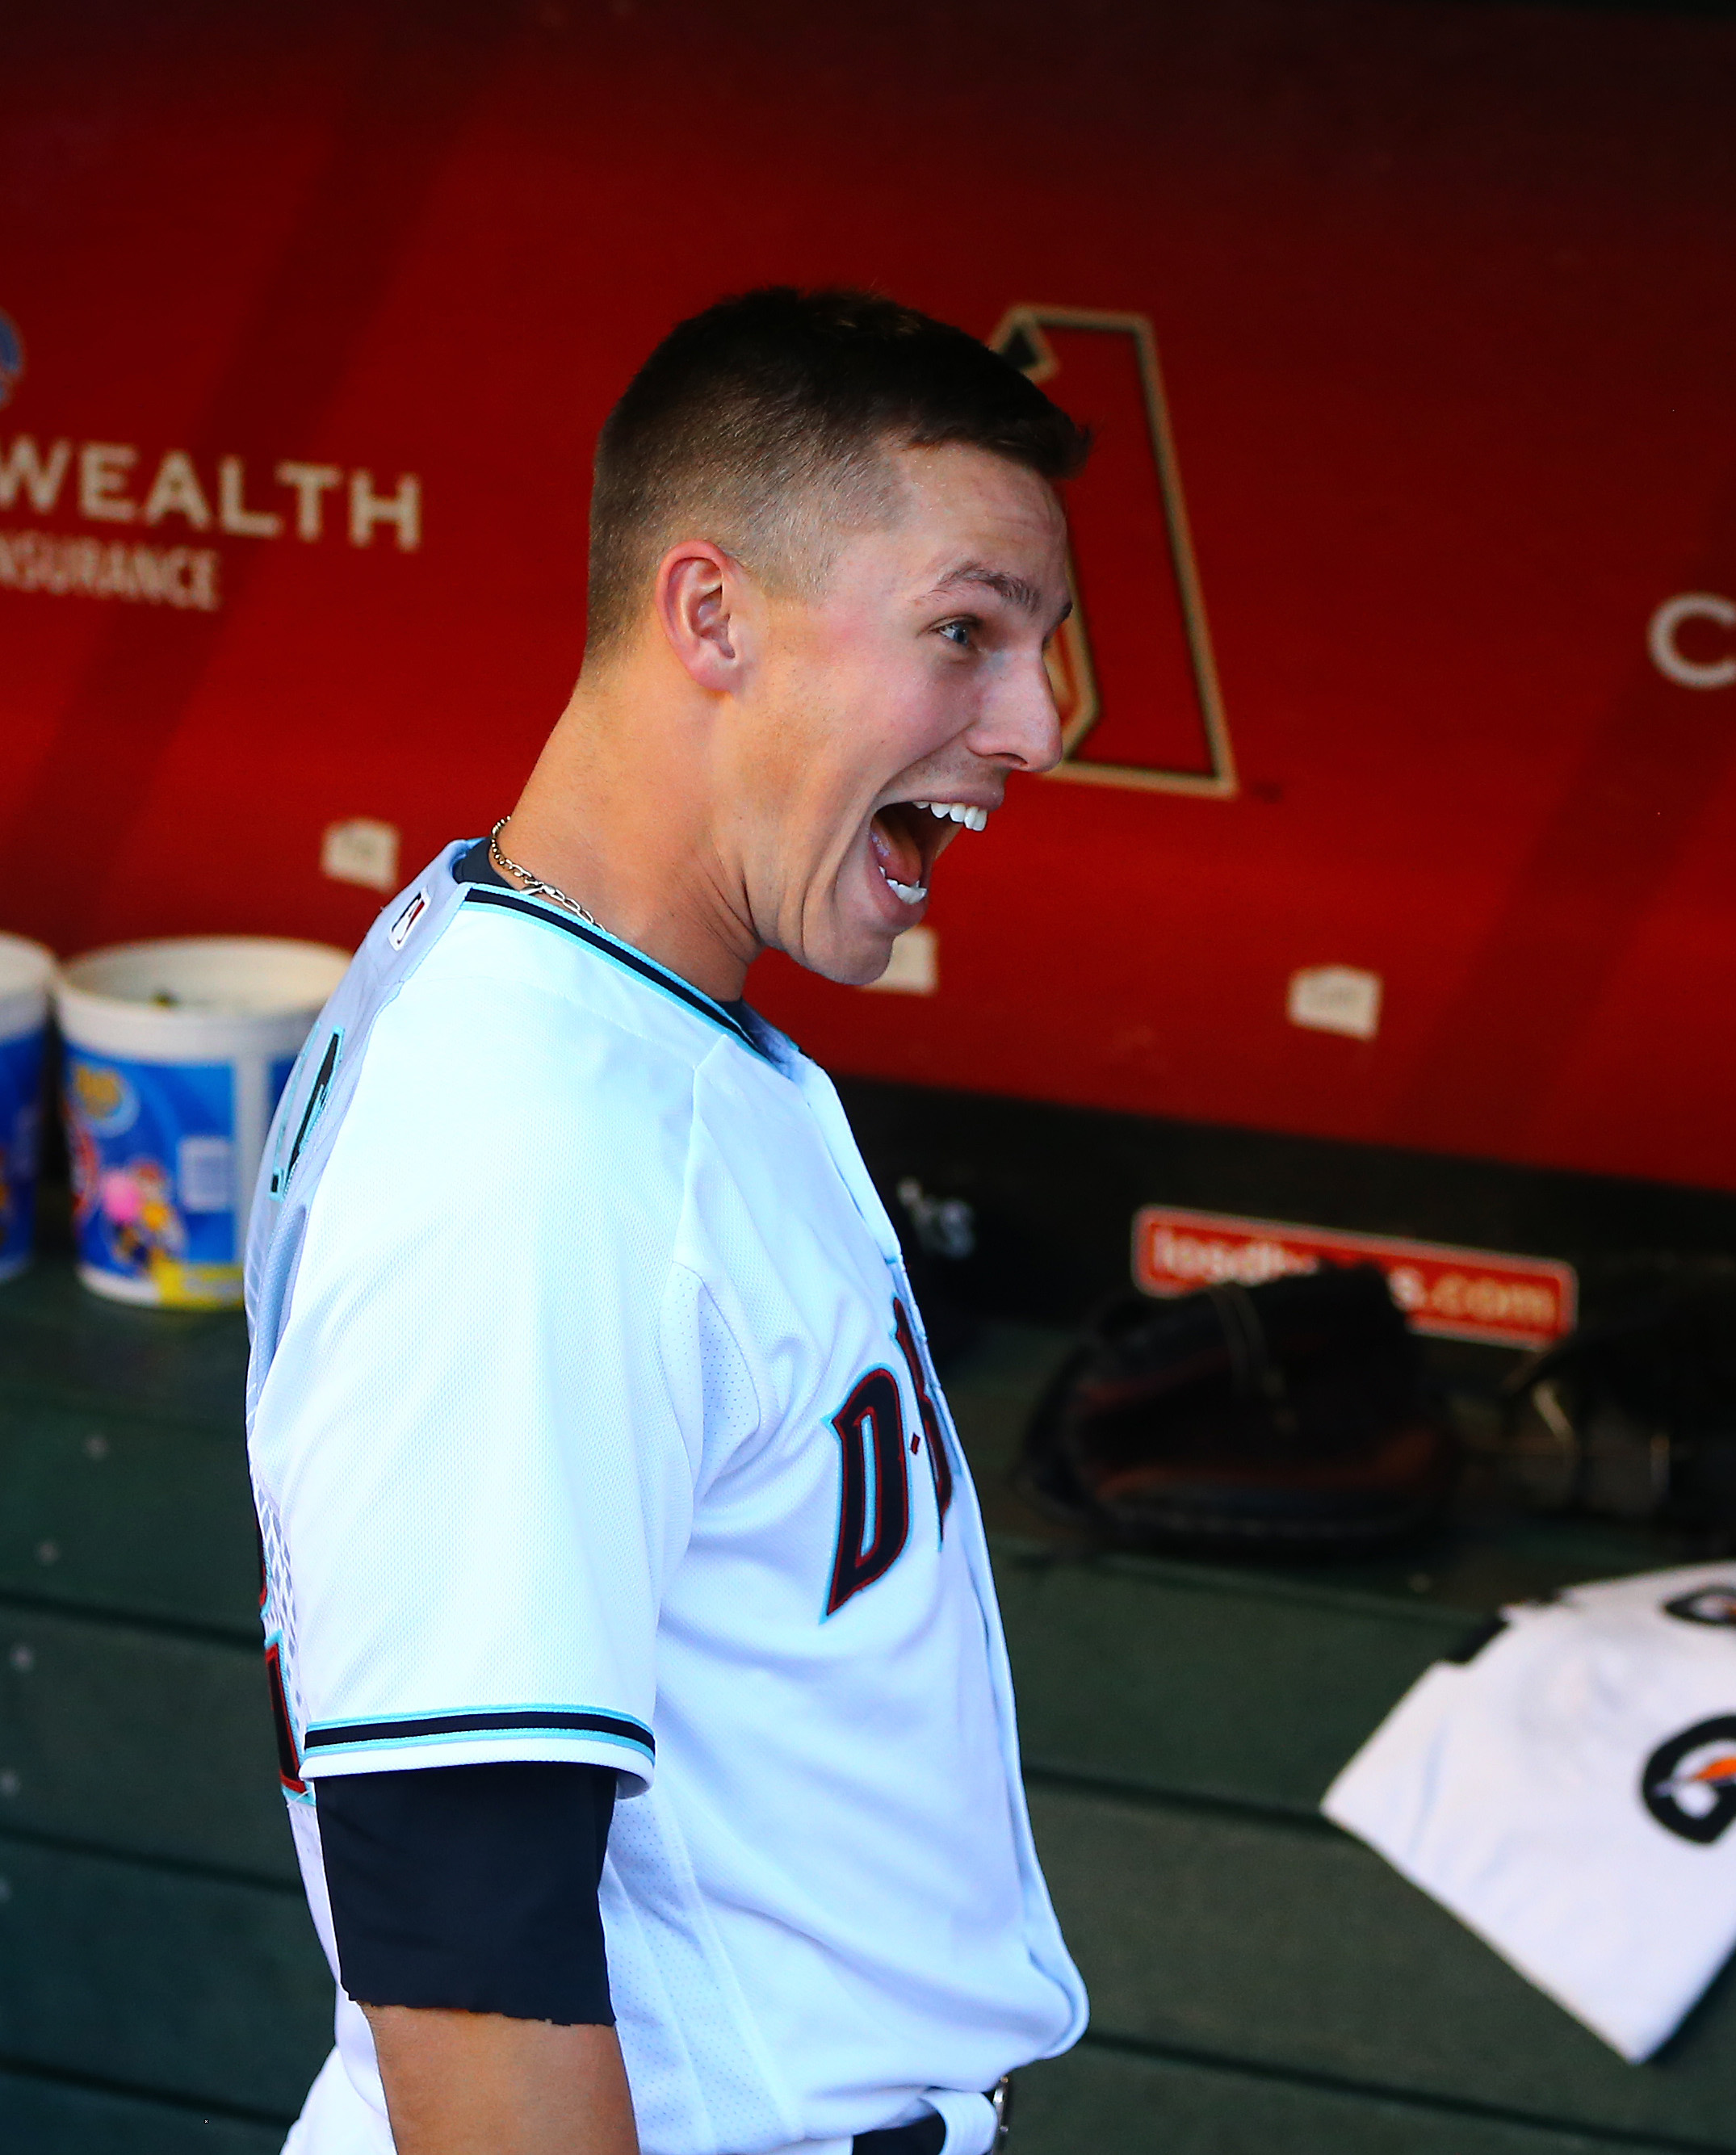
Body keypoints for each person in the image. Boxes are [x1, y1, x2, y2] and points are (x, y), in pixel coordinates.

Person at [242, 288, 1088, 2155]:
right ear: (711, 613)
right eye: (963, 632)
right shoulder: (531, 1137)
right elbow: (467, 1938)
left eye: (1036, 648)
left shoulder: (590, 1016)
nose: (1034, 724)